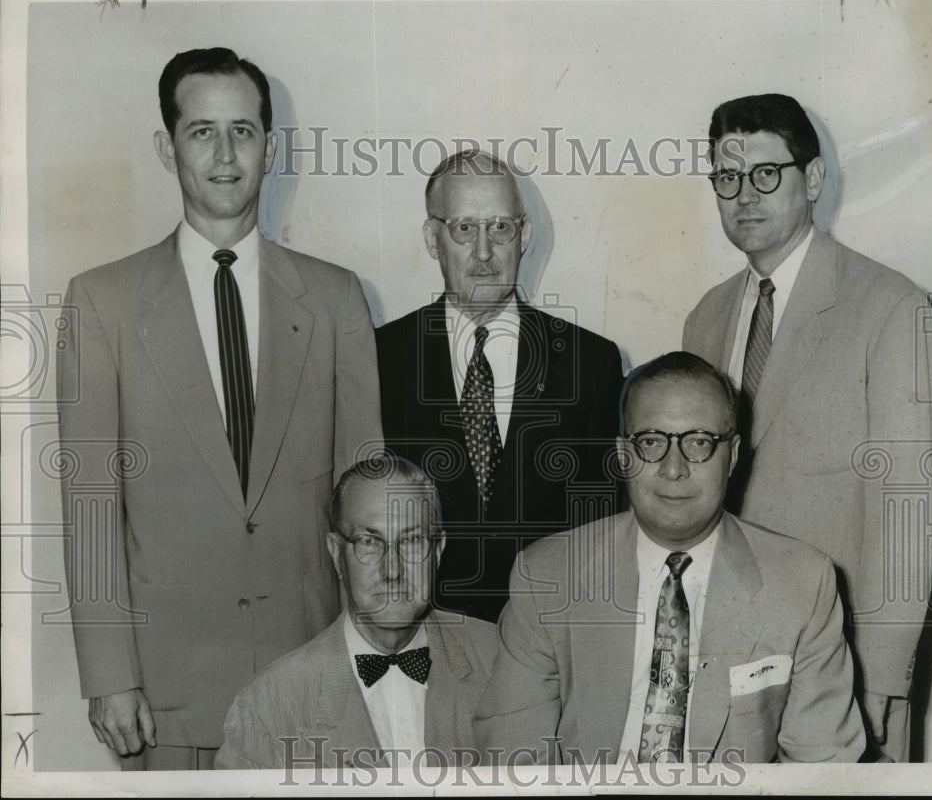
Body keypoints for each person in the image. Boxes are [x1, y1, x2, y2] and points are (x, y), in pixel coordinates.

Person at [57, 47, 382, 769]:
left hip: (314, 681)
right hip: (167, 696)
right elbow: (89, 507)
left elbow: (366, 499)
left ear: (270, 145)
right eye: (202, 131)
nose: (226, 153)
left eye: (243, 129)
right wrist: (110, 677)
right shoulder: (101, 302)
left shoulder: (334, 299)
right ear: (166, 147)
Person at [682, 93, 932, 761]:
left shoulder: (890, 306)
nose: (745, 194)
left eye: (767, 173)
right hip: (727, 662)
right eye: (728, 178)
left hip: (844, 670)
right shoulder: (705, 319)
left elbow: (908, 518)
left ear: (815, 179)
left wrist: (884, 683)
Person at [474, 352, 865, 764]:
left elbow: (823, 767)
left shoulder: (804, 581)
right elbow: (512, 761)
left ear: (731, 456)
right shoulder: (547, 576)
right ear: (624, 455)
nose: (673, 468)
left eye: (699, 442)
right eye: (651, 442)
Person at [376, 150, 624, 623]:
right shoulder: (381, 359)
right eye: (464, 229)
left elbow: (601, 530)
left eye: (500, 228)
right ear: (433, 238)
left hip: (549, 646)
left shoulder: (590, 363)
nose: (484, 252)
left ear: (524, 235)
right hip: (425, 641)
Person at [215, 457, 498, 769]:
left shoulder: (501, 661)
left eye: (413, 541)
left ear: (439, 551)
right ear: (337, 555)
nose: (392, 570)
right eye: (369, 541)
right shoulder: (267, 707)